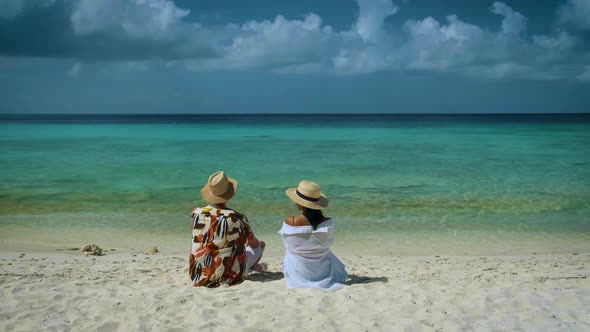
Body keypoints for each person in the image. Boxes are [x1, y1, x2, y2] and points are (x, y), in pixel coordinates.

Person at [189, 170, 265, 287]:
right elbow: (254, 244)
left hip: (198, 274)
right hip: (229, 275)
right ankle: (253, 265)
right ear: (228, 195)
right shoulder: (237, 218)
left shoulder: (196, 213)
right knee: (260, 245)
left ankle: (253, 266)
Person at [279, 180, 348, 291]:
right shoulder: (328, 222)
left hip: (298, 269)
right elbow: (329, 242)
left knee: (290, 249)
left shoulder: (291, 221)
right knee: (325, 248)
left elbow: (288, 245)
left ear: (301, 203)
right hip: (322, 270)